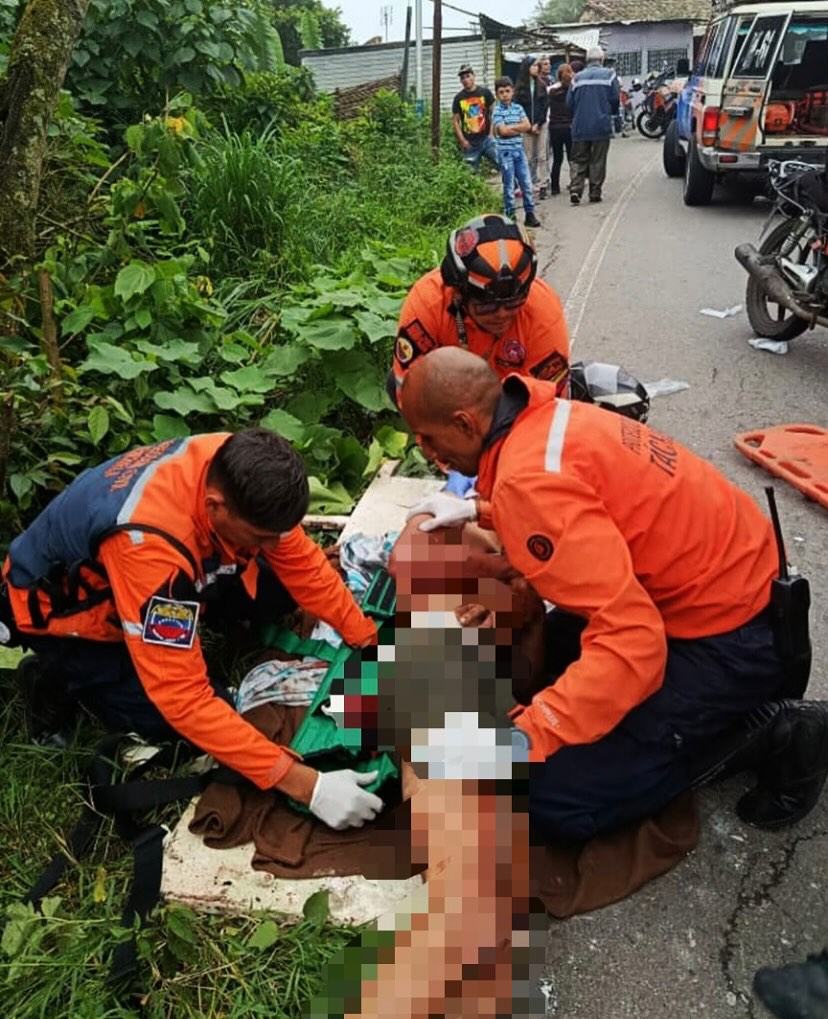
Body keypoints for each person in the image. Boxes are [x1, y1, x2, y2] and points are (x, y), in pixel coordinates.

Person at [398, 347, 828, 844]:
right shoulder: (548, 417)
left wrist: (524, 737)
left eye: (429, 439)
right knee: (544, 667)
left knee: (546, 797)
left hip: (730, 638)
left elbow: (633, 643)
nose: (430, 454)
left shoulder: (529, 483)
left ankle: (773, 732)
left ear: (465, 423)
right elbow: (587, 509)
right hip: (709, 589)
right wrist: (481, 511)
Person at [1, 429, 383, 831]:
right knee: (172, 720)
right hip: (70, 615)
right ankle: (53, 678)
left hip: (161, 570)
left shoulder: (240, 465)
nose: (274, 544)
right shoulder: (151, 550)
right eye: (261, 537)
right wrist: (308, 786)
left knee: (277, 586)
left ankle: (206, 609)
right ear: (216, 506)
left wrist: (367, 640)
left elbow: (301, 563)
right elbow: (182, 698)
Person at [388, 213, 570, 409]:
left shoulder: (542, 309)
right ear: (459, 295)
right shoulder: (428, 303)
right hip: (453, 407)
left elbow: (548, 403)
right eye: (486, 306)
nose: (502, 314)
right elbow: (407, 388)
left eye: (513, 303)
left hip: (516, 412)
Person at [567, 45, 620, 205]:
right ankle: (595, 192)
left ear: (586, 60)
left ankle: (576, 190)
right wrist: (609, 113)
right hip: (601, 125)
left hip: (580, 126)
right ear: (602, 60)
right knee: (598, 160)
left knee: (578, 159)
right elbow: (616, 100)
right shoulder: (610, 76)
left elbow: (569, 103)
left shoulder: (576, 78)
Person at [491, 76, 541, 229]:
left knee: (526, 183)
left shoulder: (518, 108)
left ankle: (529, 213)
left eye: (507, 91)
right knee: (509, 186)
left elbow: (527, 125)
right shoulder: (497, 111)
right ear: (497, 94)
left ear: (512, 91)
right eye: (501, 92)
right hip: (505, 152)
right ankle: (510, 216)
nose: (505, 95)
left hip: (519, 150)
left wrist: (511, 128)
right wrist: (516, 127)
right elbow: (502, 131)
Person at [451, 63, 499, 173]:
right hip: (470, 142)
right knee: (470, 174)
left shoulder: (484, 92)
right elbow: (455, 121)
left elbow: (494, 112)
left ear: (473, 76)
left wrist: (492, 134)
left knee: (502, 163)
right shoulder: (458, 98)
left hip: (487, 139)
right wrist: (462, 140)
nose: (465, 80)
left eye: (468, 76)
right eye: (462, 78)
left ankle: (515, 187)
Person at [514, 56, 550, 200]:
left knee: (542, 156)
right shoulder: (520, 88)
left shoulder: (541, 85)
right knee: (528, 157)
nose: (536, 68)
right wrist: (528, 126)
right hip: (526, 127)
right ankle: (528, 185)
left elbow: (545, 106)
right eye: (534, 65)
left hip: (541, 125)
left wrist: (538, 123)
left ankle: (543, 185)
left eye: (537, 66)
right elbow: (518, 108)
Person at [547, 63, 574, 196]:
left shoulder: (552, 91)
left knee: (557, 159)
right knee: (572, 158)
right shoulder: (572, 91)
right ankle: (575, 183)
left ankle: (555, 187)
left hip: (554, 127)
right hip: (569, 127)